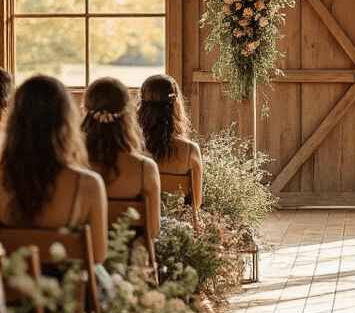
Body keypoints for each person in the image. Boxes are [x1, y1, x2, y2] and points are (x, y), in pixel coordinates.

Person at [0, 74, 107, 264]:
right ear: (66, 121)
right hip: (69, 291)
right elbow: (97, 256)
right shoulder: (88, 184)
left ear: (15, 120)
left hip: (9, 289)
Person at [81, 77, 161, 245]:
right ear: (127, 115)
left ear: (87, 113)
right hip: (130, 259)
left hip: (83, 258)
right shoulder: (145, 169)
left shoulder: (75, 165)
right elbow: (152, 231)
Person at [137, 74, 203, 211]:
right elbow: (196, 204)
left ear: (142, 105)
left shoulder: (130, 147)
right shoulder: (190, 150)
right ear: (176, 105)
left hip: (136, 224)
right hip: (177, 226)